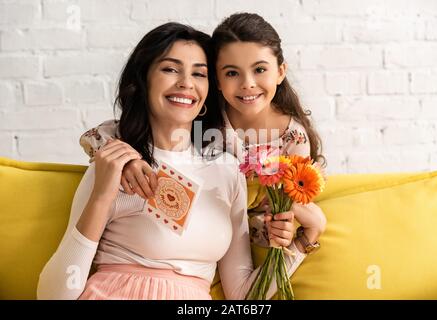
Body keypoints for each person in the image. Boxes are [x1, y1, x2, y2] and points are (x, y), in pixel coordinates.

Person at [37, 22, 303, 300]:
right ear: (143, 82)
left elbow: (244, 296)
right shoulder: (114, 163)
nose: (186, 83)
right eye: (170, 69)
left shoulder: (228, 171)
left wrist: (304, 241)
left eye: (199, 73)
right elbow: (53, 296)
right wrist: (101, 197)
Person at [80, 13, 327, 253]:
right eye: (232, 73)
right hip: (184, 226)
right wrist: (128, 160)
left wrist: (278, 228)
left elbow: (284, 207)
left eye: (260, 69)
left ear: (280, 72)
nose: (247, 83)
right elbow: (95, 136)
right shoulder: (204, 114)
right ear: (217, 79)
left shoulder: (294, 138)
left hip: (236, 240)